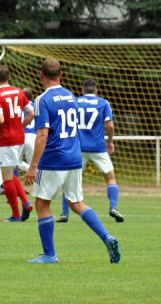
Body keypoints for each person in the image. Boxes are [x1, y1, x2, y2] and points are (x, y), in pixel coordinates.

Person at [24, 58, 121, 264]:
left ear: (41, 76)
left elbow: (42, 135)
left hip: (53, 158)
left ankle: (49, 255)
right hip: (74, 156)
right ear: (61, 75)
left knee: (42, 203)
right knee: (76, 202)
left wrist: (33, 166)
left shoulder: (42, 100)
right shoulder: (70, 96)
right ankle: (107, 237)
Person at [58, 79, 124, 223]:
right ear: (96, 90)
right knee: (110, 177)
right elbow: (110, 126)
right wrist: (110, 141)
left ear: (82, 90)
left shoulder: (75, 101)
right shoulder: (103, 103)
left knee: (69, 181)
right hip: (98, 147)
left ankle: (64, 213)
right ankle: (113, 208)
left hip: (78, 147)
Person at [0, 65, 34, 222]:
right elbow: (31, 113)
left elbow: (0, 119)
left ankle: (16, 215)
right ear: (9, 76)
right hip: (19, 137)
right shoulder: (19, 91)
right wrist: (20, 126)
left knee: (7, 178)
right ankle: (25, 202)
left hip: (7, 139)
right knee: (10, 173)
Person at [19, 87, 37, 173]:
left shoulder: (18, 107)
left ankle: (34, 171)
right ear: (32, 96)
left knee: (16, 162)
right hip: (33, 137)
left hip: (20, 136)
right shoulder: (36, 106)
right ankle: (37, 175)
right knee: (33, 163)